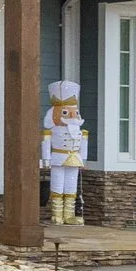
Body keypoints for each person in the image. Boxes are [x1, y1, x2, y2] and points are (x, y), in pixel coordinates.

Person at [42, 79, 88, 226]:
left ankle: (69, 214)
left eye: (75, 112)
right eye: (66, 112)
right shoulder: (52, 130)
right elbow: (46, 143)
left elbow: (83, 145)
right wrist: (46, 160)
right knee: (57, 184)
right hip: (58, 157)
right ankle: (57, 213)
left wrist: (84, 159)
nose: (72, 116)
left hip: (74, 158)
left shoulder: (80, 131)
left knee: (71, 186)